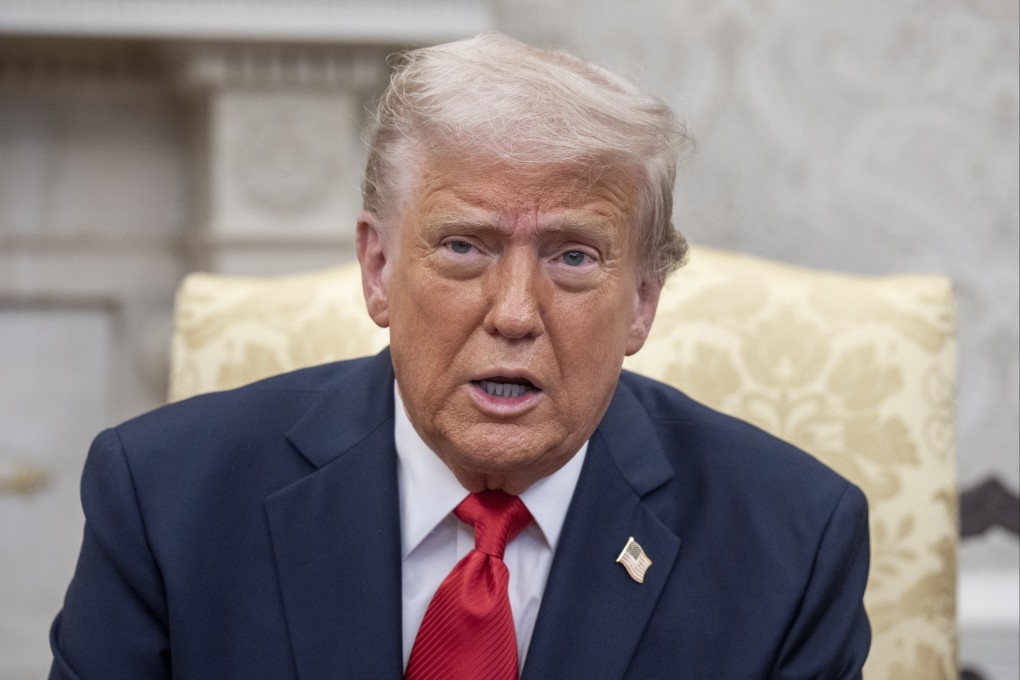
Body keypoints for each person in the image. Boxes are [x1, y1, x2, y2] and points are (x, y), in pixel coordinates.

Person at [48, 32, 870, 679]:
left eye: (573, 257)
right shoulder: (163, 498)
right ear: (377, 269)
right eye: (464, 246)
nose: (515, 314)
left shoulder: (791, 542)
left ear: (643, 302)